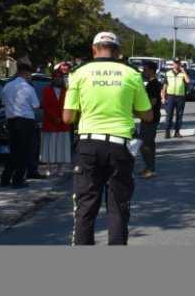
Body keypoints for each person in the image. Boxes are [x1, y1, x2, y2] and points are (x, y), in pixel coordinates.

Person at [62, 31, 152, 245]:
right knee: (118, 207)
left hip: (89, 145)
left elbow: (67, 117)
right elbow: (147, 114)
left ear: (94, 50)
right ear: (118, 51)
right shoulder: (131, 73)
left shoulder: (79, 73)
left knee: (85, 208)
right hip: (120, 146)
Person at [0, 62, 43, 189]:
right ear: (26, 74)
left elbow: (3, 102)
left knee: (14, 152)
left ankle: (5, 178)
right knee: (24, 152)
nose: (30, 77)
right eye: (30, 74)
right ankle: (18, 179)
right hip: (26, 122)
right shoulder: (28, 88)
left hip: (11, 121)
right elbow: (36, 106)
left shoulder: (7, 86)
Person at [40, 69, 71, 176]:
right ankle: (48, 168)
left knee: (61, 146)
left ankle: (60, 168)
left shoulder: (66, 91)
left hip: (63, 122)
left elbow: (69, 105)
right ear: (52, 78)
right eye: (56, 77)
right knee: (48, 145)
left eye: (60, 77)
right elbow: (45, 106)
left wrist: (63, 117)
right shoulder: (46, 90)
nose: (58, 79)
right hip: (50, 122)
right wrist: (54, 117)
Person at [139, 61, 162, 179]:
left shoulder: (153, 84)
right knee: (150, 143)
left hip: (150, 117)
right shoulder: (152, 83)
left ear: (152, 71)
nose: (144, 72)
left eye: (146, 69)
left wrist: (141, 110)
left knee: (145, 144)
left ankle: (150, 168)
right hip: (151, 116)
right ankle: (150, 167)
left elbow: (152, 102)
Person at [161, 57, 190, 139]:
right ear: (173, 64)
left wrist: (183, 71)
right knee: (169, 115)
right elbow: (164, 86)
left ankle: (177, 132)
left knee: (179, 115)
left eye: (178, 63)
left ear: (180, 64)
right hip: (170, 97)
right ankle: (167, 132)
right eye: (175, 63)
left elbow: (188, 81)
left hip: (180, 97)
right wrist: (163, 97)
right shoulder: (168, 73)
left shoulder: (183, 73)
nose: (176, 65)